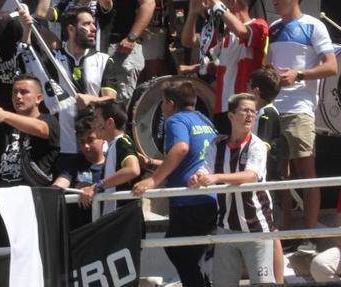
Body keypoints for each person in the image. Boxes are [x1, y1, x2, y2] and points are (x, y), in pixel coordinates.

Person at [267, 0, 337, 248]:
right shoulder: (273, 28)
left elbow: (331, 66)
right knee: (279, 174)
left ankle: (309, 235)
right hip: (273, 110)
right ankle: (284, 235)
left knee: (305, 171)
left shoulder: (314, 26)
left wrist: (299, 75)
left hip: (300, 108)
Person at [133, 81, 218, 287]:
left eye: (163, 102)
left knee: (177, 251)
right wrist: (153, 163)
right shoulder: (204, 120)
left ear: (170, 103)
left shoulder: (175, 120)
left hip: (188, 200)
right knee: (185, 253)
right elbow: (193, 158)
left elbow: (180, 149)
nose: (163, 107)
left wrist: (153, 180)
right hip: (209, 199)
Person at [188, 93, 277, 285]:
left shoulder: (258, 145)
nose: (250, 115)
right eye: (245, 110)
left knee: (263, 283)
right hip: (226, 227)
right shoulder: (217, 144)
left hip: (257, 228)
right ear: (231, 115)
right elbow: (206, 168)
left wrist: (217, 177)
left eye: (253, 111)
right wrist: (198, 176)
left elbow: (251, 176)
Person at [182, 0, 268, 128]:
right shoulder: (226, 33)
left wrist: (216, 3)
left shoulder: (258, 25)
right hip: (223, 108)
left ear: (233, 3)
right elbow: (189, 41)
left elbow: (242, 31)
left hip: (245, 109)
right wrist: (192, 13)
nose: (213, 4)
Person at [52, 7, 121, 155]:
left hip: (97, 148)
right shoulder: (53, 60)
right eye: (87, 24)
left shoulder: (103, 60)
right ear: (71, 29)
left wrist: (92, 99)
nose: (94, 28)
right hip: (65, 147)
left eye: (93, 23)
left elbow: (111, 100)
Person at [0, 74, 59, 188]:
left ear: (38, 98)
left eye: (24, 92)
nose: (18, 96)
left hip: (33, 193)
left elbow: (41, 129)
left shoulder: (49, 120)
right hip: (1, 194)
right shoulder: (5, 122)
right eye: (15, 92)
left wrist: (5, 115)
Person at [82, 100, 141, 213]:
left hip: (124, 219)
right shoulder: (113, 146)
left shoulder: (122, 142)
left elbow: (133, 170)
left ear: (109, 122)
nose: (93, 124)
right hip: (116, 219)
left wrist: (96, 187)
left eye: (96, 118)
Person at [52, 114, 106, 228]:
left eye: (90, 140)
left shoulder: (112, 161)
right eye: (81, 142)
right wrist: (77, 189)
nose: (86, 146)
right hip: (78, 231)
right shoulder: (73, 163)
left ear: (103, 138)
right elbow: (61, 182)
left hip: (106, 227)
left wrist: (92, 188)